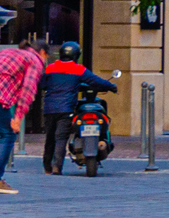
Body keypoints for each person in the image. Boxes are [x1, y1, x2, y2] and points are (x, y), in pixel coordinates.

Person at [0, 38, 43, 194]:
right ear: (43, 53)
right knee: (8, 135)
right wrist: (18, 118)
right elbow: (28, 90)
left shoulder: (7, 52)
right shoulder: (35, 60)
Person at [38, 41, 116, 175]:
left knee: (50, 138)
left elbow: (42, 84)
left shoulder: (50, 68)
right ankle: (57, 167)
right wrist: (111, 86)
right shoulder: (78, 69)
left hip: (49, 108)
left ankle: (47, 167)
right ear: (76, 55)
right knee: (61, 138)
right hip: (66, 108)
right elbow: (96, 81)